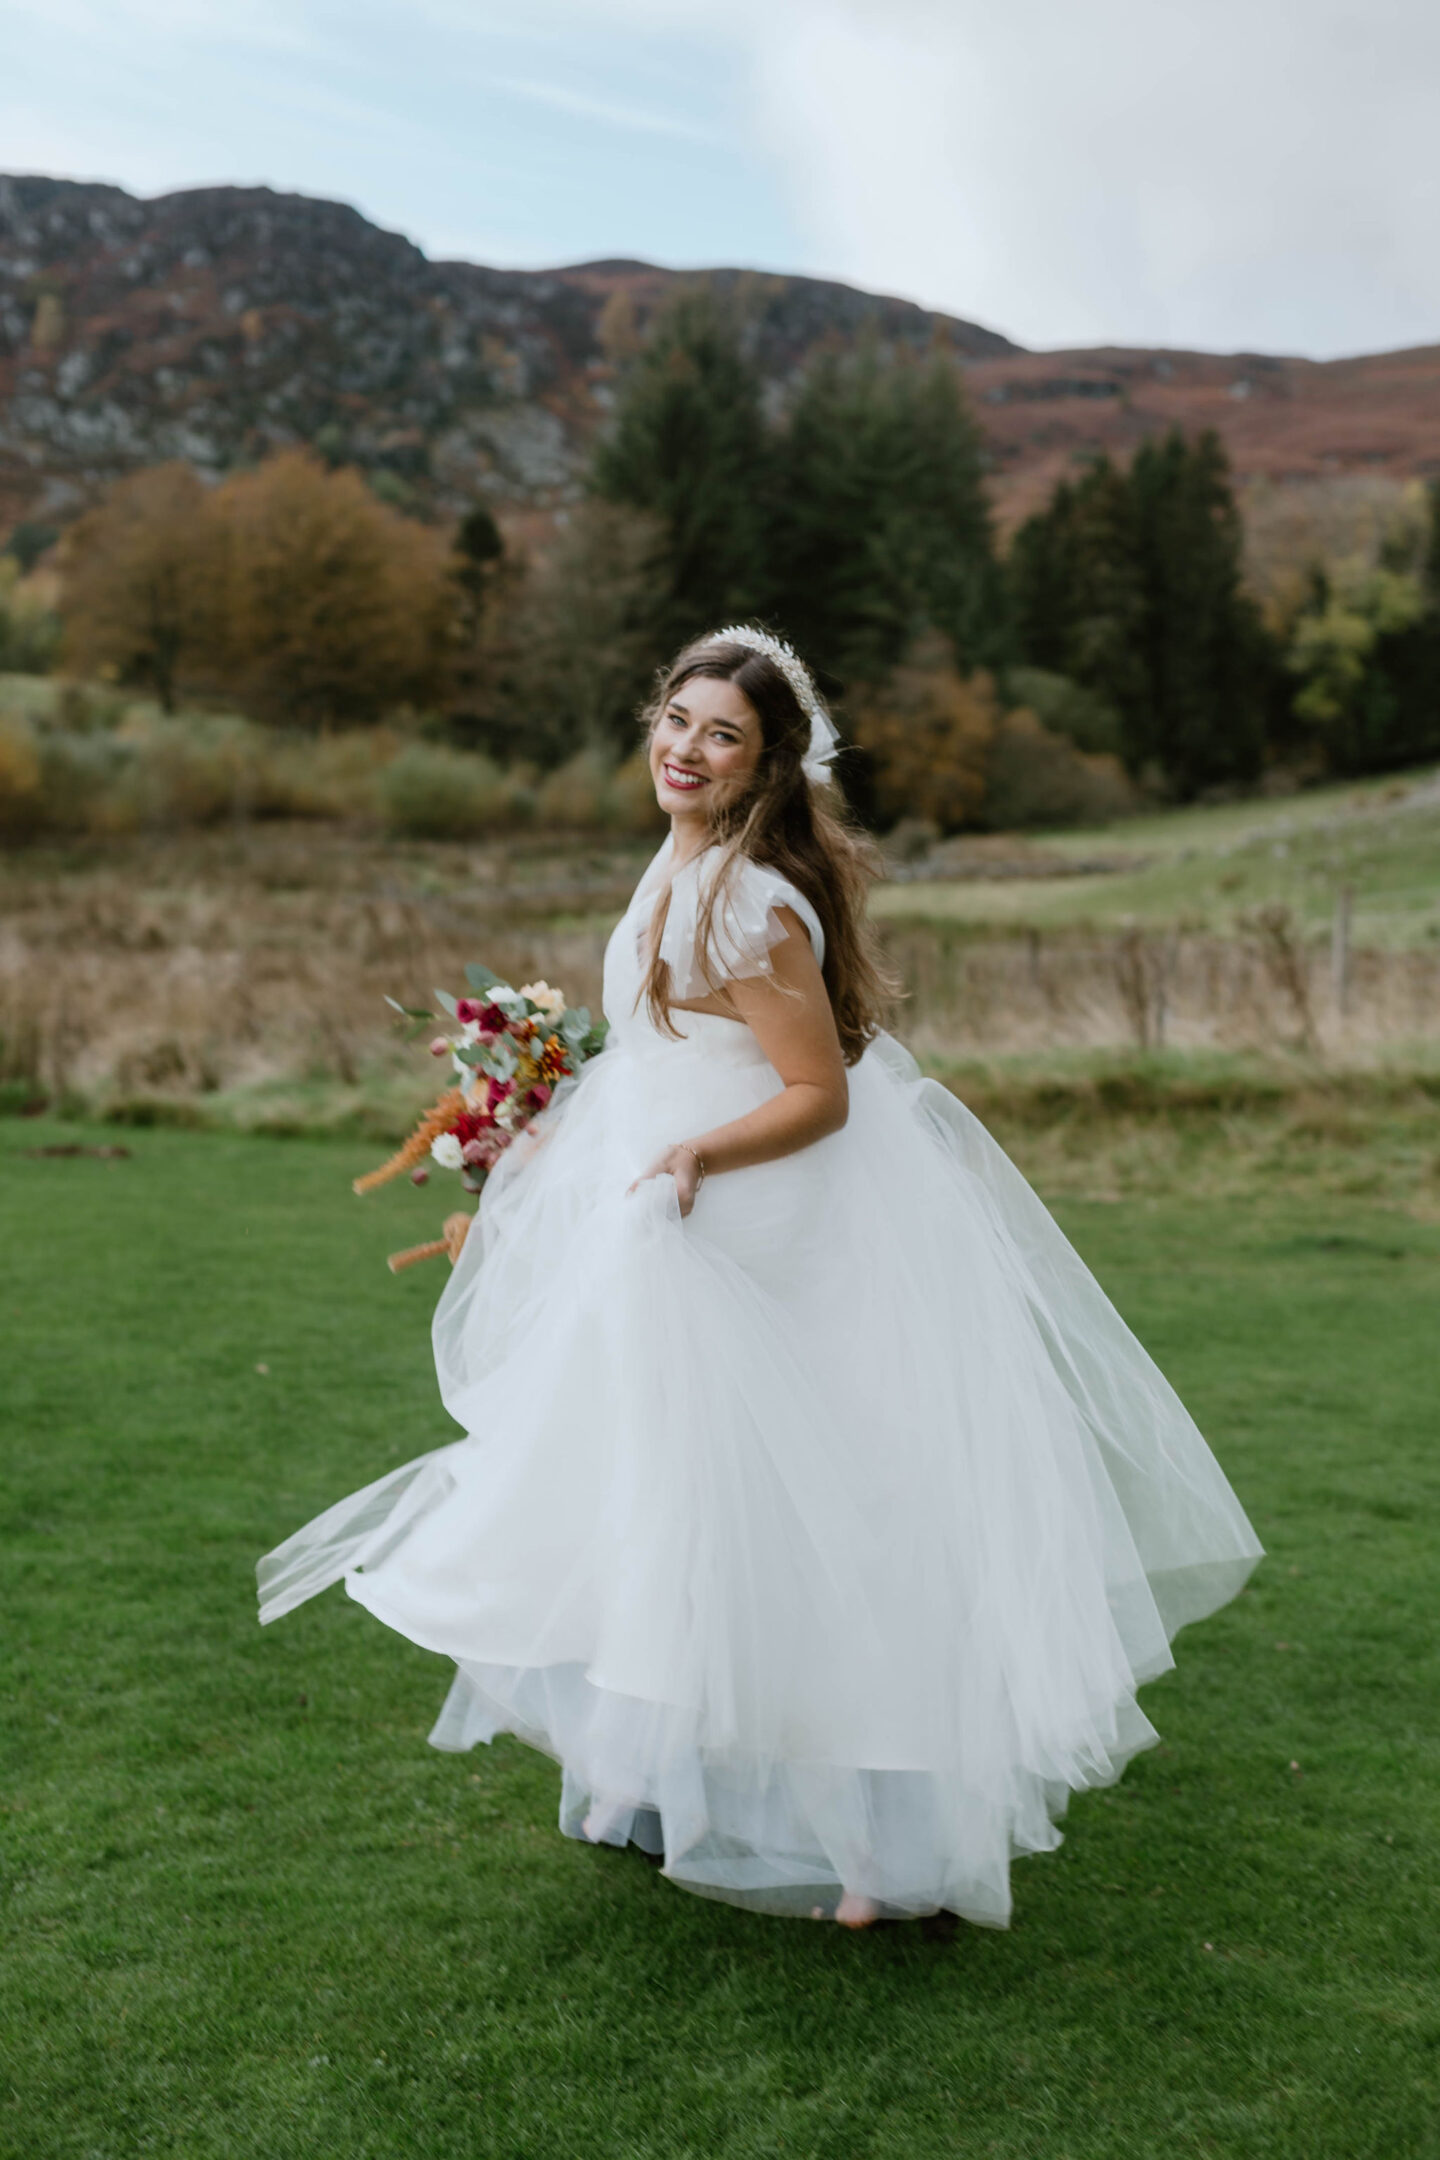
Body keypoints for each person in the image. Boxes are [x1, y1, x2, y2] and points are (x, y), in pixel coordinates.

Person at [258, 627, 1262, 1930]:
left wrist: (688, 1152)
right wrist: (560, 1123)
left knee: (811, 1520)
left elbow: (816, 1093)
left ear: (769, 761)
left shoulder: (750, 897)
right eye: (676, 720)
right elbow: (667, 1048)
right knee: (666, 1506)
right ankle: (669, 1780)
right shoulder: (681, 856)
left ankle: (887, 1853)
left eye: (721, 734)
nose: (686, 749)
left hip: (755, 1225)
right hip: (672, 1217)